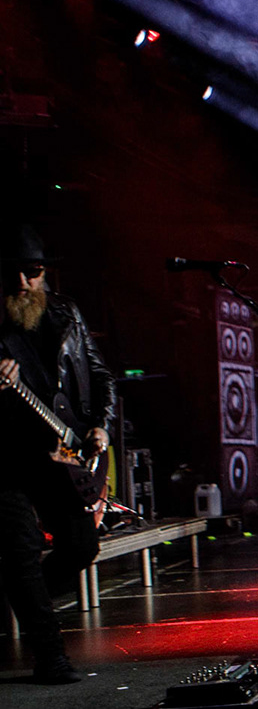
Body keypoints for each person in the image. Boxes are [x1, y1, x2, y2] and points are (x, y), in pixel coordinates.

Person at [0, 224, 114, 685]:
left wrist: (101, 425)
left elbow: (101, 375)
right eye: (13, 274)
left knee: (81, 546)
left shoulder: (66, 313)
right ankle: (51, 657)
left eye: (32, 272)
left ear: (44, 272)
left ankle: (23, 599)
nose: (23, 283)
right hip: (6, 459)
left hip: (64, 453)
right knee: (22, 552)